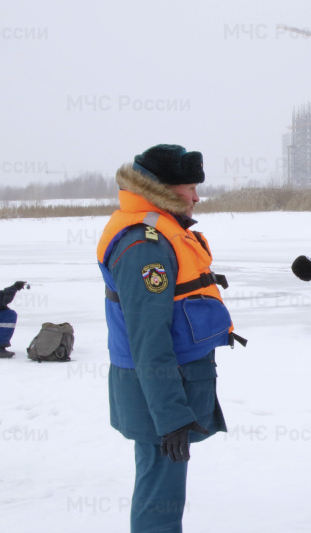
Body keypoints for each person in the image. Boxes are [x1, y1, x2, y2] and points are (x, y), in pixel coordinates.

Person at [97, 144, 242, 532]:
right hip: (159, 389)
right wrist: (171, 416)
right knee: (160, 493)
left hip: (167, 385)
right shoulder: (145, 243)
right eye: (189, 187)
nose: (196, 196)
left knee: (162, 484)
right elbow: (148, 335)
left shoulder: (159, 228)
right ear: (162, 188)